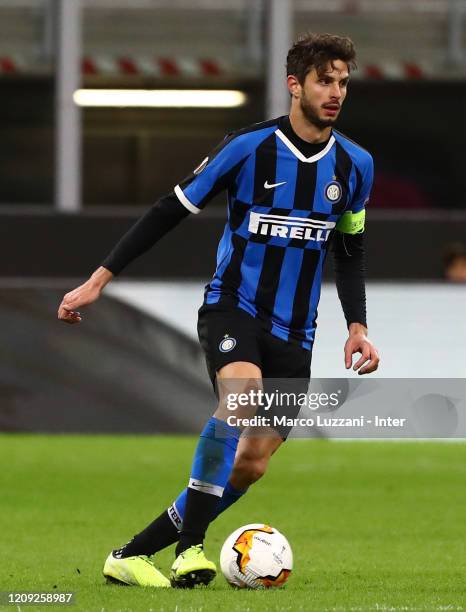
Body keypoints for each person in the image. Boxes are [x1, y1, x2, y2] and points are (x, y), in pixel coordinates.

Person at [58, 33, 380, 588]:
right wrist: (99, 279)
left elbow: (349, 250)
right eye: (324, 81)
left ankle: (130, 556)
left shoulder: (356, 165)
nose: (335, 93)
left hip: (297, 332)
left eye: (343, 83)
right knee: (242, 399)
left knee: (253, 461)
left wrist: (357, 324)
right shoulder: (248, 148)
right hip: (233, 308)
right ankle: (190, 551)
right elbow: (168, 211)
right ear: (295, 85)